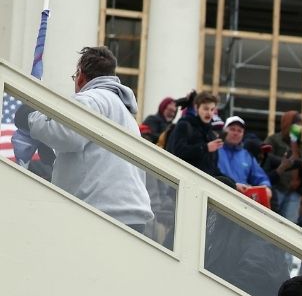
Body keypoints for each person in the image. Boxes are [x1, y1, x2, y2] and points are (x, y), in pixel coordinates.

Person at [15, 46, 155, 233]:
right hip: (129, 213)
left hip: (102, 212)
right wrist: (56, 159)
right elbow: (94, 152)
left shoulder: (91, 98)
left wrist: (30, 118)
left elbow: (66, 133)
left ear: (80, 75)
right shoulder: (123, 112)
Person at [263, 110, 302, 222]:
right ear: (287, 124)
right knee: (272, 220)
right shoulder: (273, 140)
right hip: (278, 188)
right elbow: (266, 159)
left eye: (300, 125)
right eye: (296, 124)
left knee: (290, 223)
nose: (298, 128)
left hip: (295, 192)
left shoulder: (299, 145)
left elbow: (301, 167)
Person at [216, 115, 272, 201]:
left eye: (239, 131)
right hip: (217, 194)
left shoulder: (247, 156)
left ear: (243, 134)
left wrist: (266, 187)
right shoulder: (214, 149)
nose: (236, 133)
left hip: (241, 200)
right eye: (232, 129)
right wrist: (234, 185)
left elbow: (261, 178)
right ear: (224, 131)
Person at [165, 91, 221, 177]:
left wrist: (233, 183)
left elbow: (213, 169)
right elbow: (178, 151)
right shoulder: (184, 125)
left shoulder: (212, 135)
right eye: (206, 109)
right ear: (196, 108)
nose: (209, 113)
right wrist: (205, 147)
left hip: (204, 181)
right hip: (183, 178)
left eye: (212, 109)